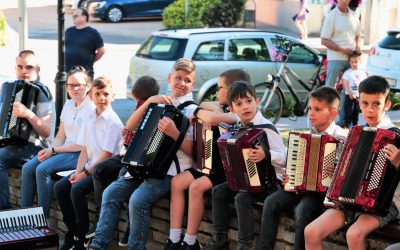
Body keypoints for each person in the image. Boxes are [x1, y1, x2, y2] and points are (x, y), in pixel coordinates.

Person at [88, 58, 198, 250]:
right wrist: (148, 102)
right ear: (170, 78)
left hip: (169, 172)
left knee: (137, 201)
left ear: (193, 84)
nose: (182, 83)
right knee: (110, 193)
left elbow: (196, 153)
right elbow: (129, 127)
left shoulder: (194, 111)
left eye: (187, 80)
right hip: (143, 166)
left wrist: (174, 133)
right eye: (178, 78)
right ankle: (97, 246)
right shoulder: (158, 102)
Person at [304, 76, 400, 250]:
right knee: (311, 232)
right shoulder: (356, 133)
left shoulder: (395, 136)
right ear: (359, 103)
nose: (370, 109)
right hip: (350, 201)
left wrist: (398, 162)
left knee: (354, 234)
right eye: (365, 104)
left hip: (385, 204)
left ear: (387, 104)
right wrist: (338, 172)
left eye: (376, 104)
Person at [164, 69, 249, 250]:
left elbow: (209, 117)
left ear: (231, 91)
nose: (217, 92)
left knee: (196, 187)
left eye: (220, 88)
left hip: (223, 171)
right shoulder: (224, 109)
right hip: (208, 165)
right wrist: (209, 108)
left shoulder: (236, 114)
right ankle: (174, 238)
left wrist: (196, 112)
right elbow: (204, 103)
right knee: (177, 183)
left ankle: (190, 240)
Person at [259, 86, 347, 250]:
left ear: (333, 113)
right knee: (271, 202)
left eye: (317, 109)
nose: (311, 113)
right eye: (310, 109)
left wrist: (336, 173)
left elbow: (345, 174)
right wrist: (290, 176)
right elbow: (296, 164)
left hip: (323, 195)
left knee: (302, 210)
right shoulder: (307, 135)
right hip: (300, 188)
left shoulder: (341, 138)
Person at [206, 81, 287, 250]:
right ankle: (219, 240)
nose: (245, 107)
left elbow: (285, 158)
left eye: (249, 101)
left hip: (270, 183)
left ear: (256, 102)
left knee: (242, 198)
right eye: (239, 104)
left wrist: (267, 154)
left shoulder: (267, 128)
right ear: (232, 109)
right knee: (218, 191)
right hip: (247, 180)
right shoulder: (236, 127)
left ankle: (245, 246)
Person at [86, 75, 159, 246]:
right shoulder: (142, 106)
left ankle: (107, 231)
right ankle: (99, 239)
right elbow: (128, 132)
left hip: (134, 161)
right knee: (111, 182)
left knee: (111, 177)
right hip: (128, 158)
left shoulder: (149, 108)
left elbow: (131, 135)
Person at [54, 76, 123, 250]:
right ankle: (73, 230)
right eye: (97, 94)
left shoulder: (113, 122)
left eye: (106, 94)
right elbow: (84, 149)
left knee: (77, 189)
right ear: (91, 95)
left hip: (104, 172)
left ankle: (82, 236)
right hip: (89, 167)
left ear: (113, 95)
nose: (101, 98)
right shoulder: (90, 117)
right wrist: (77, 172)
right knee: (61, 187)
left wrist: (84, 174)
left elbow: (107, 155)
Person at [20, 66, 94, 218]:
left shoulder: (91, 108)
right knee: (28, 167)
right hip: (63, 150)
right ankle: (24, 217)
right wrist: (50, 149)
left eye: (79, 84)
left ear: (88, 86)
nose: (74, 89)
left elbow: (83, 144)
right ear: (66, 87)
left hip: (80, 154)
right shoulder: (68, 104)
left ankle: (41, 221)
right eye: (70, 85)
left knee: (42, 170)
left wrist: (54, 151)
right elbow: (60, 135)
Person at [0, 50, 54, 210]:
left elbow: (46, 132)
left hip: (35, 146)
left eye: (29, 67)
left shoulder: (41, 92)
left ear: (38, 69)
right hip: (14, 143)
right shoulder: (10, 88)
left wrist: (27, 113)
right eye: (20, 67)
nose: (24, 71)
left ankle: (4, 210)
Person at [320, 0, 361, 87]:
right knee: (330, 89)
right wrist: (342, 50)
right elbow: (324, 40)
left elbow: (358, 36)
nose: (344, 0)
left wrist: (358, 47)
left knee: (353, 88)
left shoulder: (354, 16)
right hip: (335, 58)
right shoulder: (331, 16)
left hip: (352, 59)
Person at [65, 7, 105, 78]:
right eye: (73, 16)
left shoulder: (93, 33)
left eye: (76, 16)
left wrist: (90, 61)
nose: (73, 17)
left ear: (84, 17)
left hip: (85, 74)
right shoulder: (68, 31)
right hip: (68, 73)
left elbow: (101, 51)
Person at [338, 52, 367, 128]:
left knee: (356, 111)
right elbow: (345, 83)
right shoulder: (348, 73)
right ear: (349, 63)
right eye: (352, 62)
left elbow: (364, 84)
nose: (354, 64)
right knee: (349, 110)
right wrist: (350, 93)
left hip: (358, 95)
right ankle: (348, 123)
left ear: (360, 62)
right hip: (349, 95)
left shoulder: (362, 72)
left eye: (356, 62)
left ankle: (355, 124)